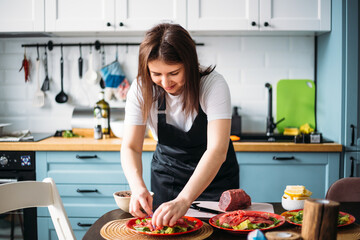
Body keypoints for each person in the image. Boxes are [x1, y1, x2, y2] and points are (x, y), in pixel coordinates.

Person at [121, 23, 239, 228]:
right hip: (167, 175)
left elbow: (217, 151)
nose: (165, 82)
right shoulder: (141, 89)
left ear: (189, 64)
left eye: (173, 72)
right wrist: (137, 186)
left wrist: (184, 200)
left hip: (214, 177)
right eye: (156, 74)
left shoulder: (212, 84)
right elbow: (130, 146)